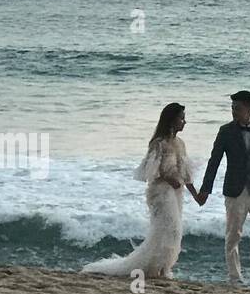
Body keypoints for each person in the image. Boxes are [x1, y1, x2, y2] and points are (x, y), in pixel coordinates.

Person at [82, 102, 198, 279]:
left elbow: (186, 172)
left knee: (174, 231)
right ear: (171, 119)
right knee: (167, 230)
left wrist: (196, 194)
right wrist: (169, 179)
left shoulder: (180, 143)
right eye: (181, 118)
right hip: (160, 193)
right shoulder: (158, 143)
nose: (184, 121)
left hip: (176, 193)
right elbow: (150, 171)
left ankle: (163, 267)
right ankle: (155, 267)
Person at [195, 90, 250, 289]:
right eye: (232, 108)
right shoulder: (225, 131)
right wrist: (205, 188)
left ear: (249, 109)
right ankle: (235, 278)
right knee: (234, 234)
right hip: (234, 189)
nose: (233, 111)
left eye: (237, 108)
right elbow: (214, 161)